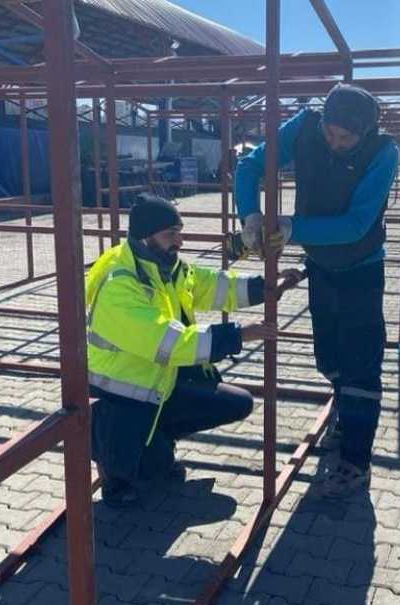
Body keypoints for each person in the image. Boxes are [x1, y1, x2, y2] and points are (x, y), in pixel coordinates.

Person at [234, 83, 399, 498]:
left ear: (365, 132)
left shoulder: (383, 152)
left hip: (362, 269)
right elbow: (250, 166)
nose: (335, 142)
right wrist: (249, 213)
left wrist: (293, 228)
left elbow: (356, 224)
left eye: (346, 138)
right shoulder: (305, 126)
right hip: (321, 266)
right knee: (328, 355)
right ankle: (344, 410)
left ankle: (356, 461)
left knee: (361, 363)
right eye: (330, 132)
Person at [85, 194, 297, 508]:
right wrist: (239, 335)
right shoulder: (121, 285)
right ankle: (115, 475)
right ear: (145, 236)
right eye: (171, 234)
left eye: (179, 232)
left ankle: (155, 443)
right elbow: (168, 343)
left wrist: (266, 286)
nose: (179, 242)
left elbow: (211, 285)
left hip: (156, 385)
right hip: (121, 397)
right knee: (148, 467)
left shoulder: (162, 265)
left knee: (235, 403)